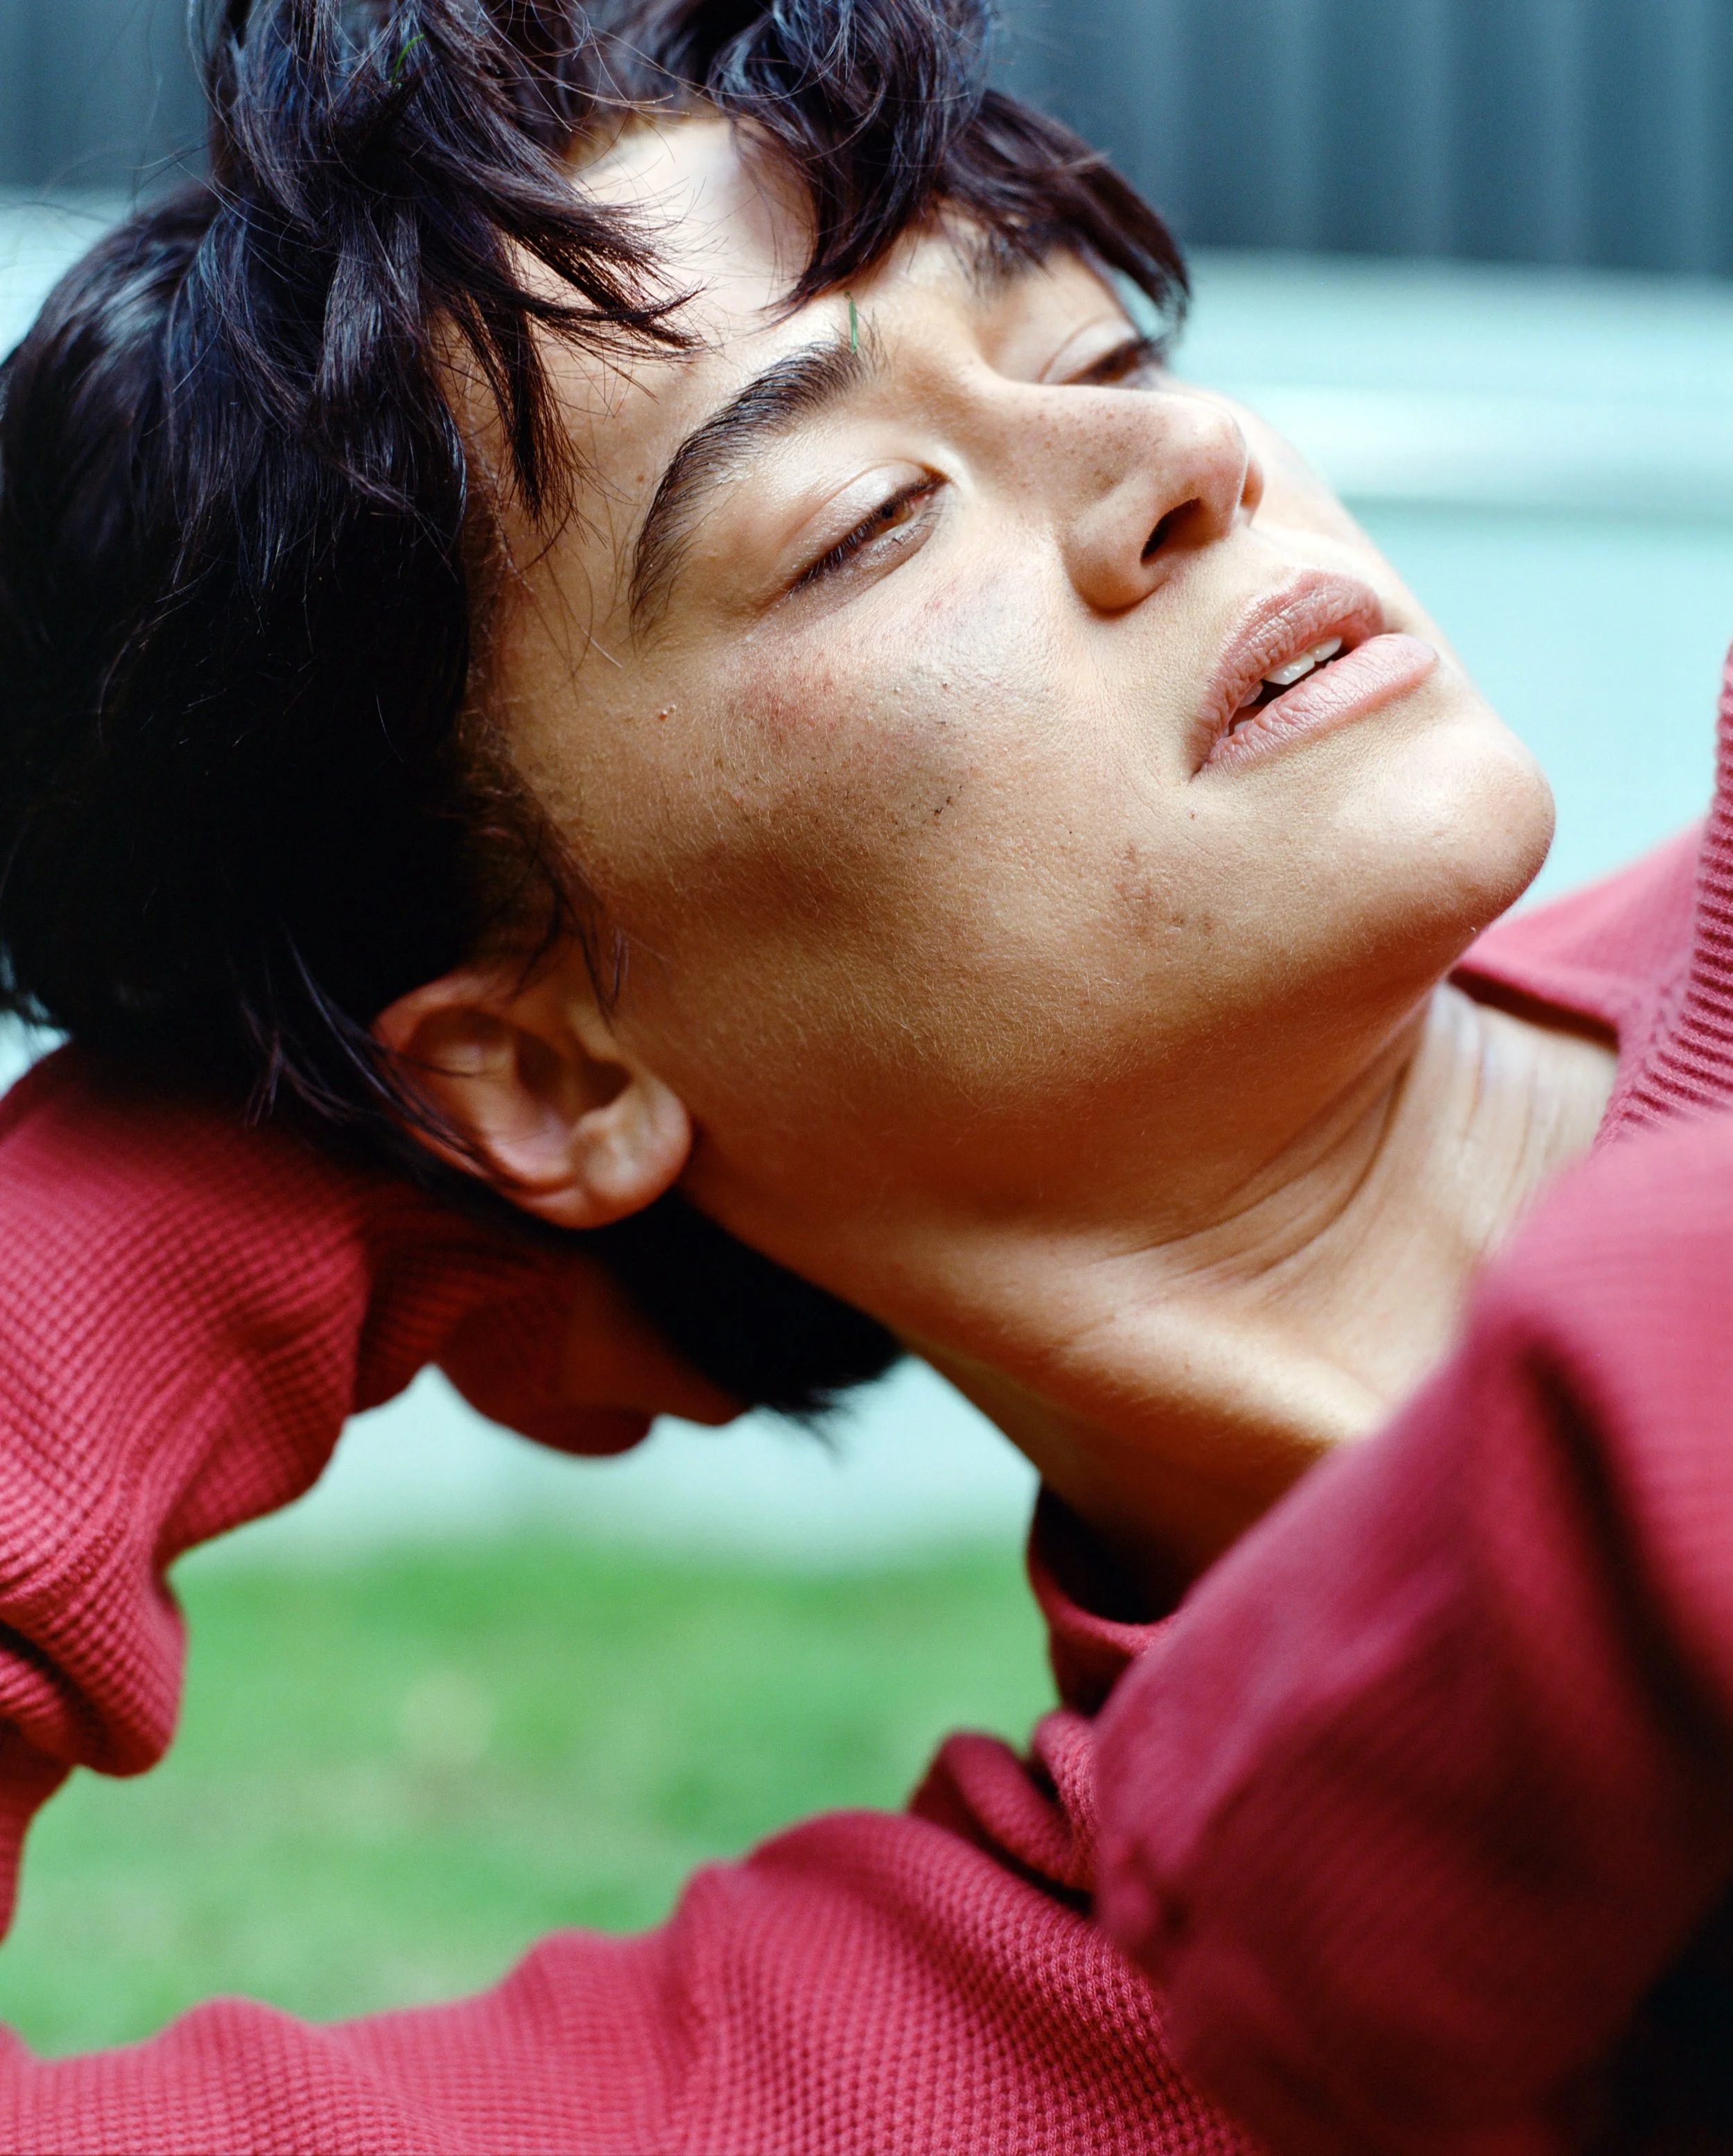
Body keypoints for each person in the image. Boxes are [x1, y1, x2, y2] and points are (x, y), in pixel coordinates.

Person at [0, 0, 1728, 2147]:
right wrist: (165, 1233)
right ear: (536, 1072)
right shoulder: (1012, 2043)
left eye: (1102, 354)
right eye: (868, 520)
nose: (1186, 463)